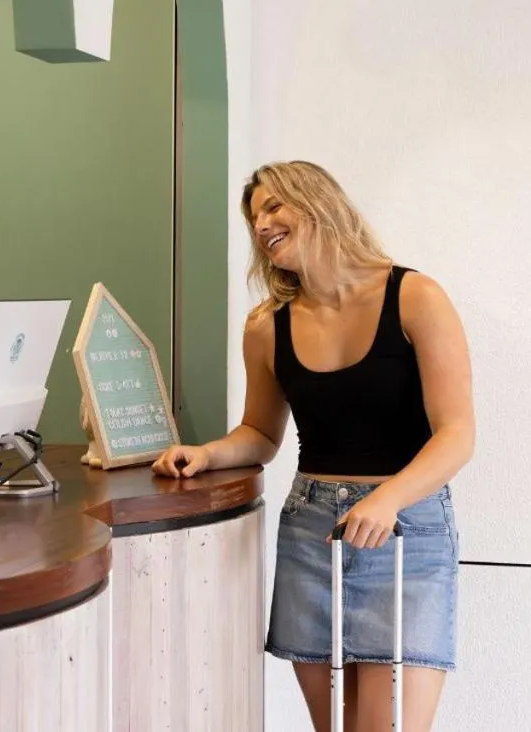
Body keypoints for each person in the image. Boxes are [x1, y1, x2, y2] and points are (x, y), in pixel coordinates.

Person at [152, 161, 475, 731]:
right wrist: (207, 454)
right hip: (313, 533)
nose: (261, 224)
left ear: (319, 202)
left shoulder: (415, 296)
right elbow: (260, 434)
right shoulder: (266, 325)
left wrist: (388, 499)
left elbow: (457, 433)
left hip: (406, 534)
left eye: (274, 206)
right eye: (254, 216)